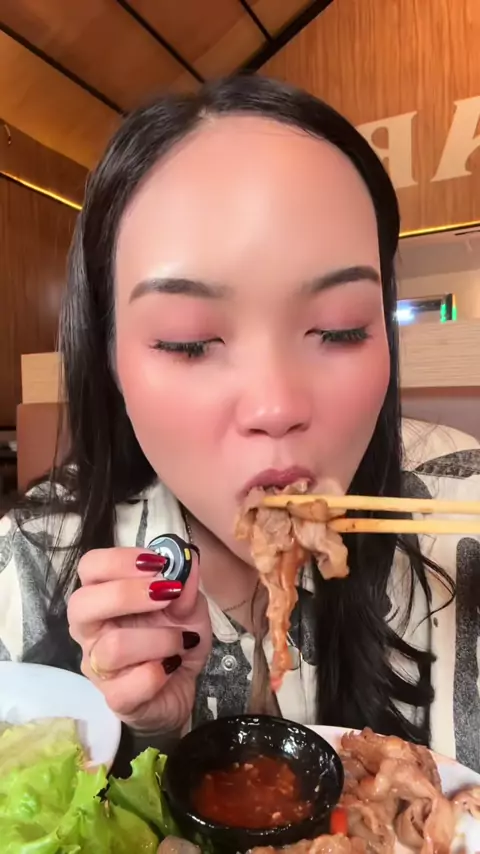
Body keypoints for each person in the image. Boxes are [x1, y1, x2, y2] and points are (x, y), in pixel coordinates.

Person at [0, 76, 479, 771]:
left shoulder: (463, 516)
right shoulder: (27, 566)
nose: (276, 405)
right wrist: (148, 738)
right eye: (189, 341)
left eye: (340, 329)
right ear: (110, 358)